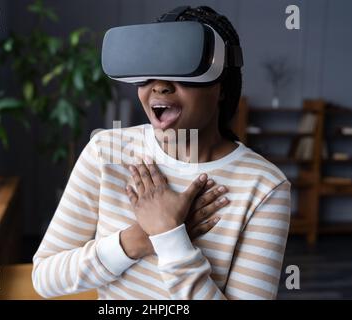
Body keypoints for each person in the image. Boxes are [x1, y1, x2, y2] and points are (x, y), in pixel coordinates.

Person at [32, 6, 291, 300]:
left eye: (181, 68)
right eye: (150, 70)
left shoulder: (265, 186)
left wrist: (171, 238)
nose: (160, 86)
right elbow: (45, 278)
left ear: (221, 86)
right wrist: (143, 238)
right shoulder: (106, 152)